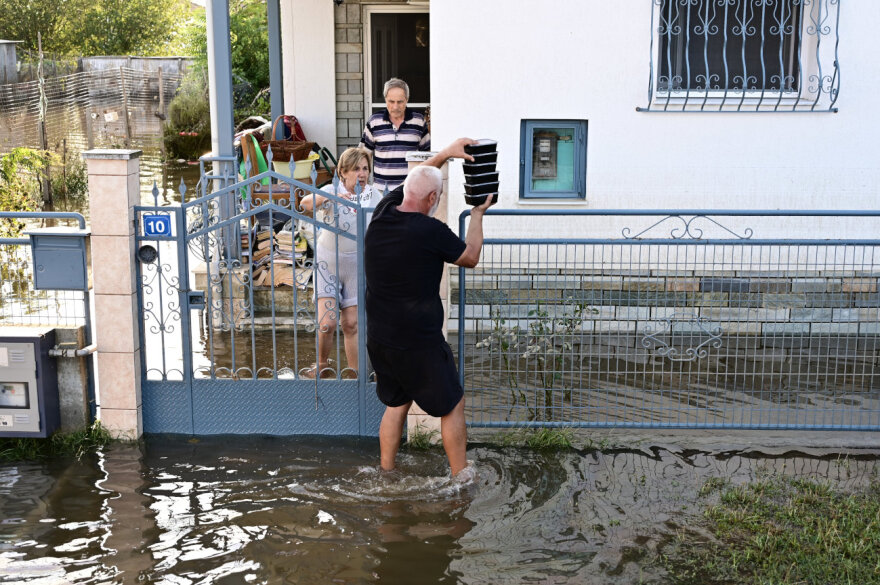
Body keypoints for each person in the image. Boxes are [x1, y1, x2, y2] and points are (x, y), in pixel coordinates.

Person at [364, 138, 493, 477]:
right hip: (418, 343)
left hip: (381, 339)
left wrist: (446, 154)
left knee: (397, 404)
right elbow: (471, 255)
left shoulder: (382, 215)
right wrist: (478, 214)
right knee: (452, 404)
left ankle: (386, 473)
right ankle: (459, 477)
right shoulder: (430, 230)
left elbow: (419, 180)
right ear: (434, 199)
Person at [298, 147, 382, 379]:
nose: (362, 174)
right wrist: (332, 197)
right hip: (329, 264)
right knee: (327, 323)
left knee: (352, 324)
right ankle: (322, 364)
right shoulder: (331, 190)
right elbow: (304, 204)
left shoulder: (373, 196)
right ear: (343, 172)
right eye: (356, 169)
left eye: (365, 169)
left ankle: (356, 376)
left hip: (357, 266)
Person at [359, 77, 430, 193]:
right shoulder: (374, 121)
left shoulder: (418, 121)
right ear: (385, 99)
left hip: (410, 190)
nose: (395, 107)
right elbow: (363, 156)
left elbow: (427, 155)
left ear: (407, 100)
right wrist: (364, 186)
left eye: (400, 102)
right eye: (391, 102)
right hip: (381, 191)